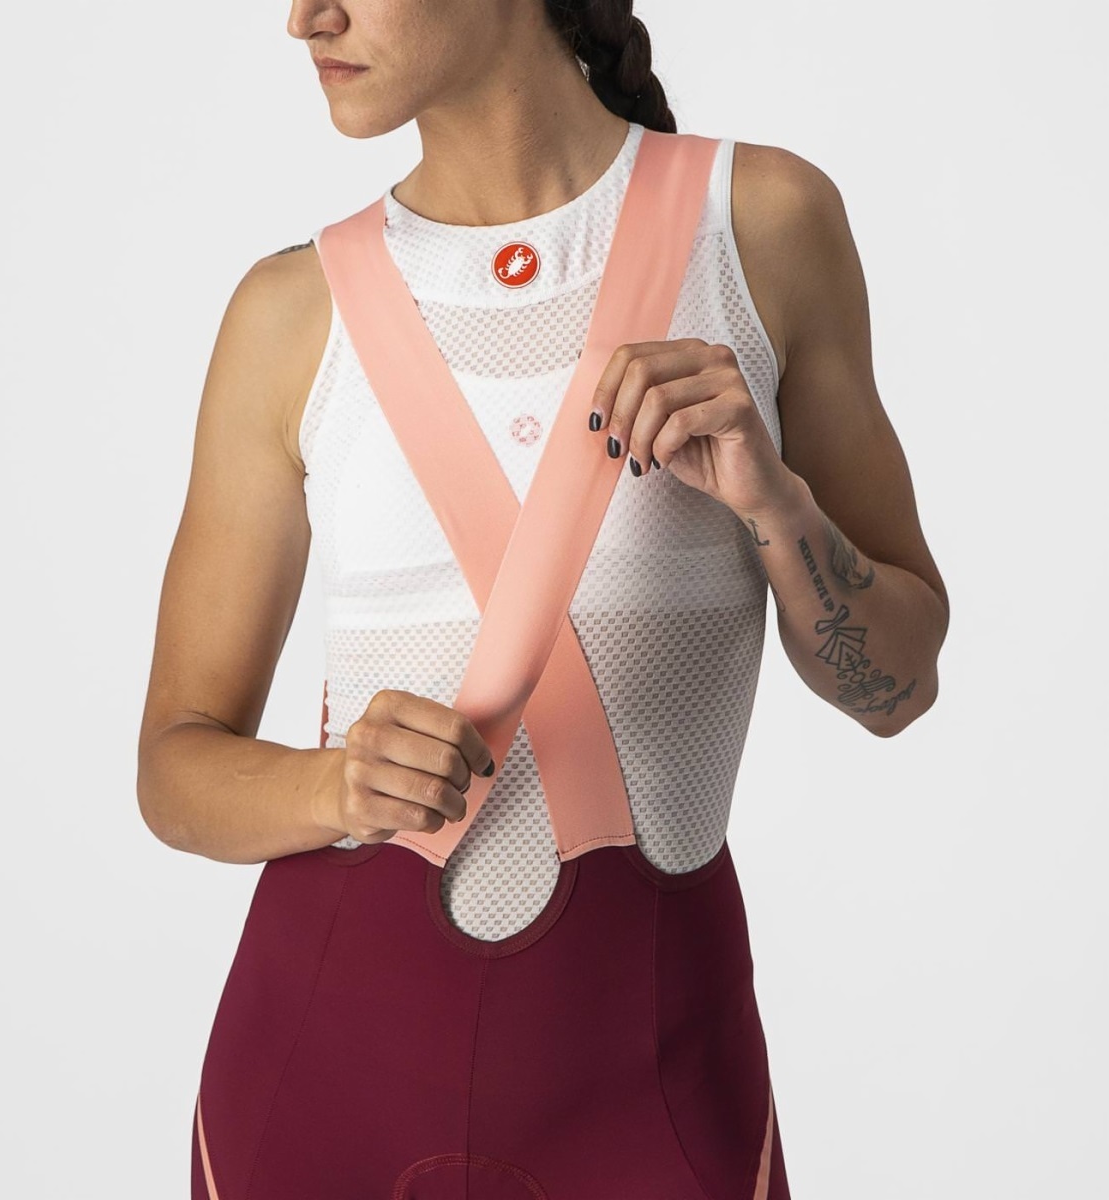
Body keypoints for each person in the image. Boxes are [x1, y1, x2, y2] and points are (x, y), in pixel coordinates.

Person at [137, 0, 950, 1196]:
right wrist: (333, 784)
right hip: (318, 1095)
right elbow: (173, 768)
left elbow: (899, 688)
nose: (306, 17)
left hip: (656, 1100)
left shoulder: (761, 228)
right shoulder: (288, 315)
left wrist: (776, 506)